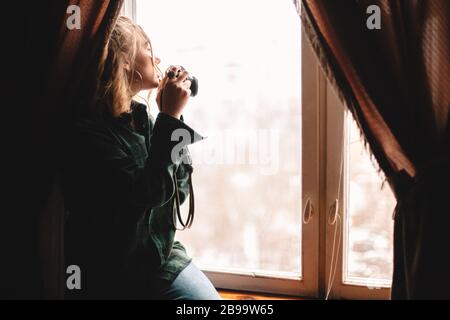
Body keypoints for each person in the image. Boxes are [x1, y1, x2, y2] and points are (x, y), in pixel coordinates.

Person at [62, 16, 221, 300]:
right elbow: (147, 192)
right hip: (112, 272)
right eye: (147, 48)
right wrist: (169, 119)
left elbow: (178, 192)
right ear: (124, 61)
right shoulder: (89, 135)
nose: (157, 57)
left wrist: (170, 121)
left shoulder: (143, 119)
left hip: (158, 256)